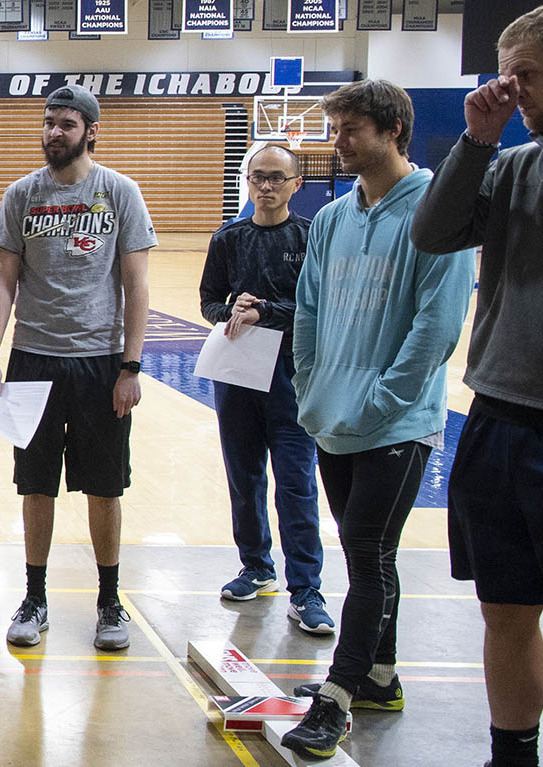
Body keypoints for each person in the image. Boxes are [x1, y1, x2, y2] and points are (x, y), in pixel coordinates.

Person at [279, 79, 475, 759]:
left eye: (351, 129)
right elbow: (306, 307)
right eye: (336, 130)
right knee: (370, 552)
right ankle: (381, 676)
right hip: (332, 415)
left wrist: (384, 402)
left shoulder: (437, 210)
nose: (339, 143)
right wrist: (309, 381)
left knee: (365, 552)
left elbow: (439, 326)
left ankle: (336, 699)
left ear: (393, 130)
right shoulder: (333, 217)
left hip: (396, 424)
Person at [410, 4, 543, 765]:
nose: (511, 89)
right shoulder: (510, 164)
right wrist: (477, 142)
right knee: (505, 609)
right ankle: (514, 753)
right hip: (501, 419)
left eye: (526, 74)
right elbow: (434, 233)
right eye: (503, 72)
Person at [0, 85, 156, 652]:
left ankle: (110, 601)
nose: (54, 132)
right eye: (49, 122)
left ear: (90, 131)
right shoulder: (21, 195)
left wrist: (130, 365)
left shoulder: (120, 192)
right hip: (33, 361)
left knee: (105, 488)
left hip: (101, 363)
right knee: (36, 486)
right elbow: (4, 280)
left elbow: (136, 285)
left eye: (66, 124)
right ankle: (35, 597)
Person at [197, 144, 334, 635]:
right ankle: (256, 566)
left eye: (277, 177)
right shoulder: (228, 238)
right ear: (247, 182)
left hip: (293, 378)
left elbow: (321, 310)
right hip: (237, 375)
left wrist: (267, 312)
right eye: (258, 177)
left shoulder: (313, 236)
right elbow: (209, 301)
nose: (267, 186)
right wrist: (231, 310)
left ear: (296, 184)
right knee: (245, 477)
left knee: (296, 482)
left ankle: (307, 588)